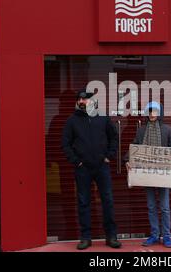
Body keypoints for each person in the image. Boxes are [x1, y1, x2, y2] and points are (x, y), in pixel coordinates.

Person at [61, 88, 121, 250]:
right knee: (83, 202)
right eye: (79, 99)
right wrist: (76, 161)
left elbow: (114, 137)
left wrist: (109, 156)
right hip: (83, 168)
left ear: (91, 101)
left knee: (107, 201)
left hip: (102, 166)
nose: (81, 102)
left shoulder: (102, 117)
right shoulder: (72, 120)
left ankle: (111, 236)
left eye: (84, 99)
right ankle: (86, 238)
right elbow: (65, 144)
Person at [124, 101, 171, 248]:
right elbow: (135, 148)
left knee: (164, 207)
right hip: (147, 173)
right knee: (151, 206)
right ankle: (155, 235)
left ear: (160, 113)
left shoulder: (168, 130)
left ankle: (167, 236)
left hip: (163, 174)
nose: (152, 114)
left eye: (155, 111)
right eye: (149, 111)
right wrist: (128, 160)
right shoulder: (141, 131)